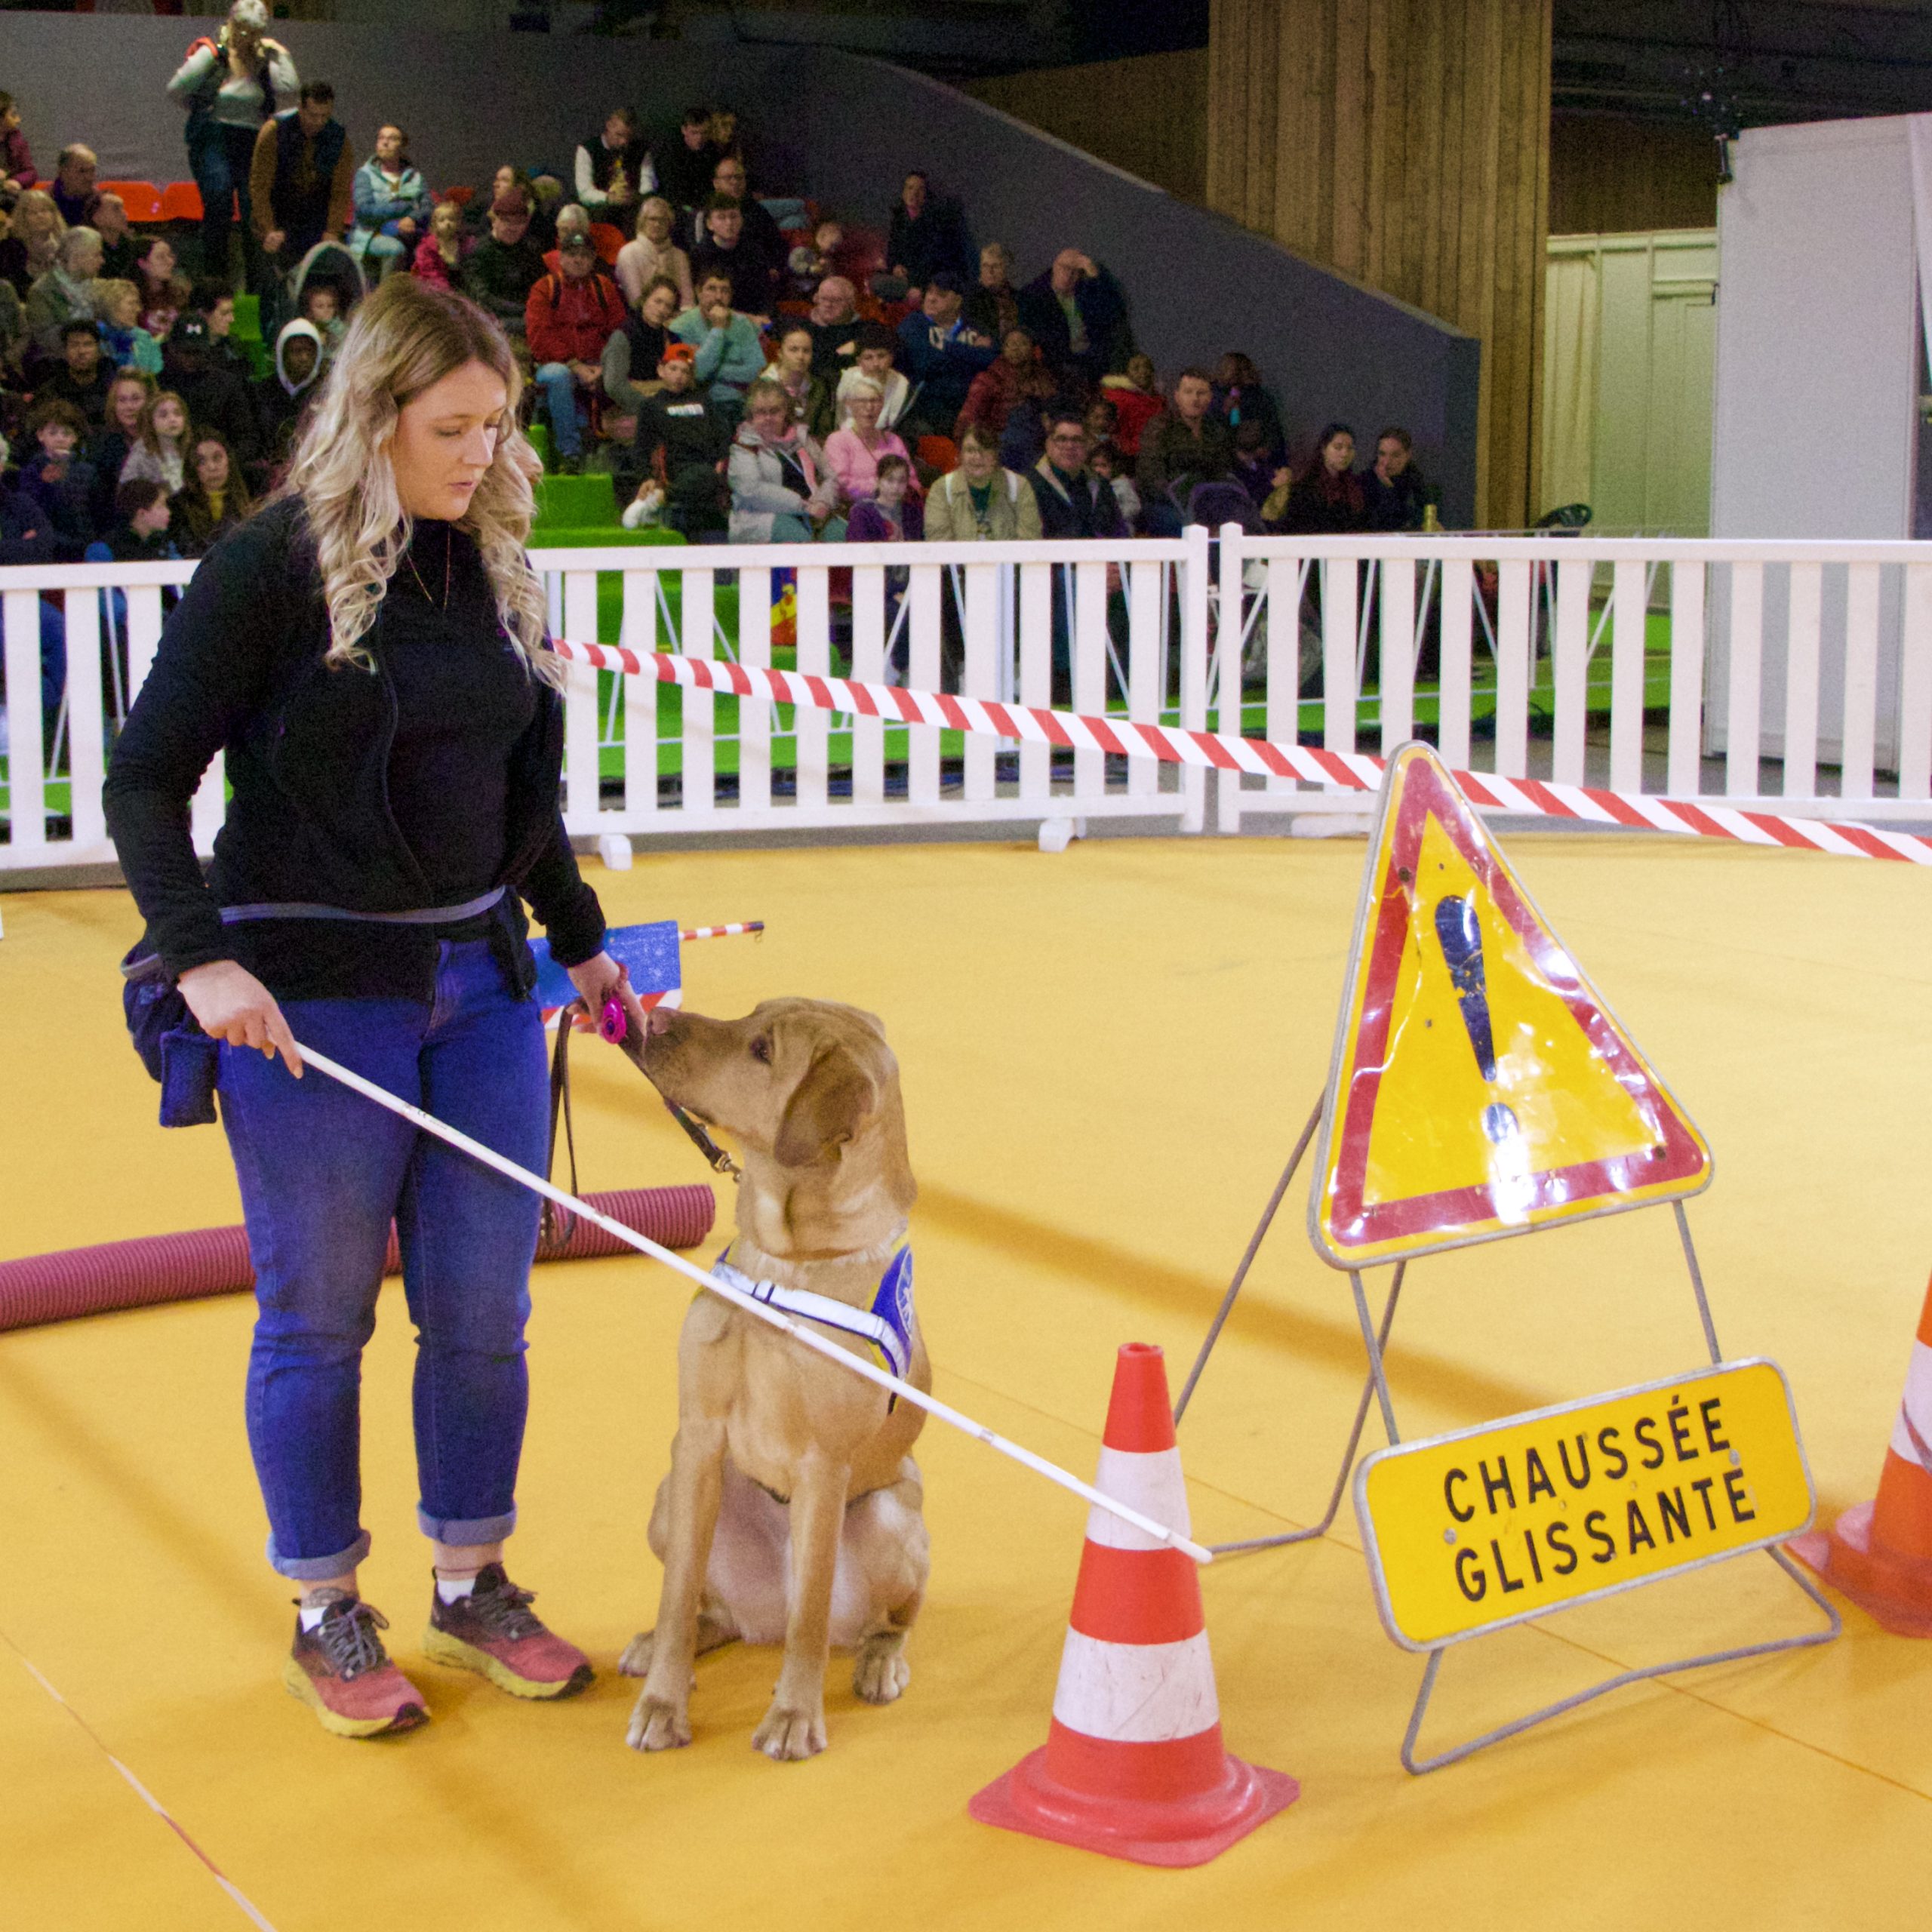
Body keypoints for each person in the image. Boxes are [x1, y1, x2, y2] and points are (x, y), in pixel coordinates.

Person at [103, 275, 621, 1740]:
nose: (482, 455)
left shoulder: (492, 566)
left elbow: (519, 797)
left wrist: (577, 941)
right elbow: (145, 780)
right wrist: (197, 956)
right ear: (375, 416)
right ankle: (328, 1605)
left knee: (482, 1310)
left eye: (498, 427)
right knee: (318, 1314)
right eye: (453, 427)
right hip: (310, 997)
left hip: (480, 991)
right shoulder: (270, 566)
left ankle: (472, 1577)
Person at [168, 1, 298, 281]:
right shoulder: (213, 54)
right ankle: (215, 280)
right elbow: (176, 88)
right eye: (241, 30)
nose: (245, 38)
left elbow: (289, 87)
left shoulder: (264, 60)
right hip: (216, 135)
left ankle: (256, 285)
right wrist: (200, 104)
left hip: (252, 137)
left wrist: (280, 52)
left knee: (256, 210)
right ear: (231, 23)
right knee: (219, 200)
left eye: (253, 32)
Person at [525, 232, 625, 474]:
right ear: (561, 257)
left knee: (622, 373)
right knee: (559, 376)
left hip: (598, 363)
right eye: (572, 255)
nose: (578, 261)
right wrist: (575, 365)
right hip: (557, 364)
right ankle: (570, 454)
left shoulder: (604, 287)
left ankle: (621, 453)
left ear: (593, 259)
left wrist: (605, 367)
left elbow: (620, 332)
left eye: (585, 255)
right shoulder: (545, 288)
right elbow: (540, 337)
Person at [251, 82, 355, 281]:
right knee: (265, 280)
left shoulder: (339, 139)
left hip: (314, 220)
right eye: (313, 115)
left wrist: (332, 230)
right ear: (301, 107)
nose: (318, 122)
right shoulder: (275, 131)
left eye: (325, 116)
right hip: (277, 213)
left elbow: (340, 192)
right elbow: (260, 185)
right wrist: (268, 228)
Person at [629, 340, 729, 538]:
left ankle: (659, 500)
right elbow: (642, 447)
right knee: (704, 476)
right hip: (677, 469)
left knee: (711, 476)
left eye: (685, 371)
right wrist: (646, 478)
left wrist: (722, 458)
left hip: (709, 466)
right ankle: (662, 497)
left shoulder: (704, 400)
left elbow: (723, 434)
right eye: (673, 369)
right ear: (661, 370)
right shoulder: (651, 406)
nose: (679, 376)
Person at [728, 378, 841, 543]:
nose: (768, 417)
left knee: (842, 534)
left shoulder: (801, 437)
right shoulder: (744, 445)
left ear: (785, 411)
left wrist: (823, 502)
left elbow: (830, 476)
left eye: (774, 411)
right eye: (760, 412)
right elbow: (750, 490)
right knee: (803, 541)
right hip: (762, 518)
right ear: (751, 414)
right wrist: (803, 506)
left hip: (813, 511)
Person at [895, 272, 995, 436]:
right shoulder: (914, 324)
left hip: (967, 406)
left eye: (941, 295)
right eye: (930, 292)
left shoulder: (975, 328)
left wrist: (944, 348)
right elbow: (925, 363)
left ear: (957, 302)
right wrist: (971, 355)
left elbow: (991, 359)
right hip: (925, 408)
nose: (931, 299)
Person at [1017, 249, 1129, 393]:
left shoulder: (1087, 291)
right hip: (1056, 364)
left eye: (1075, 271)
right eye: (1064, 268)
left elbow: (1113, 313)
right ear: (1055, 267)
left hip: (1092, 360)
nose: (1068, 275)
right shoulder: (1034, 295)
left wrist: (1094, 277)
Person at [1136, 367, 1232, 535]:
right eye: (1188, 392)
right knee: (1188, 525)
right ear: (1177, 396)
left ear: (1210, 398)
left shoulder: (1216, 431)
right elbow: (1151, 477)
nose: (1195, 399)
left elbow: (1221, 474)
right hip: (1167, 504)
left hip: (1207, 502)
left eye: (1201, 393)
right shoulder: (1160, 427)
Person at [163, 310, 261, 472]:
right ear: (172, 349)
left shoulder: (227, 384)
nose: (192, 358)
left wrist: (220, 464)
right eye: (186, 352)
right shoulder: (161, 386)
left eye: (197, 352)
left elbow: (247, 438)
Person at [669, 268, 764, 417]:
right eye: (711, 289)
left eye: (725, 291)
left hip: (740, 402)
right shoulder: (681, 327)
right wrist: (718, 330)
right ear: (698, 292)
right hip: (699, 403)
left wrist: (715, 371)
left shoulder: (743, 324)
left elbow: (756, 370)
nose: (718, 297)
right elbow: (698, 374)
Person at [923, 421, 1041, 542]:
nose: (978, 457)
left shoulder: (1019, 487)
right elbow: (939, 546)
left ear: (996, 455)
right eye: (970, 450)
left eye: (985, 450)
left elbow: (1029, 542)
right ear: (960, 455)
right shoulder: (941, 490)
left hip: (1007, 560)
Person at [351, 126, 432, 284]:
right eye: (381, 138)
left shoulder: (414, 177)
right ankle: (386, 300)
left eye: (392, 138)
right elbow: (364, 211)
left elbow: (428, 207)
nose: (385, 143)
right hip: (370, 234)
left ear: (402, 146)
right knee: (395, 249)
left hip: (408, 233)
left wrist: (412, 218)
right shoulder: (365, 174)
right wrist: (403, 209)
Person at [460, 192, 546, 340]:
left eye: (519, 222)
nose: (512, 228)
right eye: (506, 221)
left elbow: (541, 288)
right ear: (494, 221)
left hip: (529, 316)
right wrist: (523, 310)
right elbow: (482, 297)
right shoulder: (478, 252)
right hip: (494, 318)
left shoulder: (531, 249)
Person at [1029, 411, 1126, 540]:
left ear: (1087, 445)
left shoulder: (1100, 485)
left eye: (1077, 440)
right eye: (1062, 439)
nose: (1070, 446)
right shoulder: (1031, 485)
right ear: (1048, 444)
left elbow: (1118, 532)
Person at [20, 396, 98, 555]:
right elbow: (27, 508)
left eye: (66, 433)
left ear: (75, 437)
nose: (60, 438)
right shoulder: (31, 471)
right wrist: (44, 483)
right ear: (41, 435)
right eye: (53, 432)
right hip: (45, 543)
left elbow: (95, 508)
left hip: (81, 541)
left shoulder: (88, 471)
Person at [954, 323, 1055, 445]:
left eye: (1022, 343)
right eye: (1010, 344)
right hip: (998, 444)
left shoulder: (1043, 379)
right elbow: (968, 417)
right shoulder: (989, 379)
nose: (1015, 348)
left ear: (1033, 349)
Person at [823, 375, 914, 507]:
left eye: (875, 401)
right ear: (849, 404)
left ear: (882, 404)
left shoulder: (893, 440)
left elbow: (912, 479)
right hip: (855, 511)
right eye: (862, 401)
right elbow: (841, 485)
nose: (869, 407)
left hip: (896, 508)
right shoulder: (838, 441)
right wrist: (882, 488)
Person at [600, 272, 680, 417]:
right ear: (644, 300)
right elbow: (614, 386)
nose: (662, 309)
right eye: (658, 301)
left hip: (661, 404)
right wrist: (654, 411)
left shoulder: (669, 337)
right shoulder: (623, 335)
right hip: (631, 409)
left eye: (668, 306)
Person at [886, 171, 971, 301]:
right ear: (903, 193)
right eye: (910, 188)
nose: (914, 193)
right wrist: (896, 266)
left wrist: (918, 284)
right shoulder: (899, 219)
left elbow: (934, 259)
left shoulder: (936, 221)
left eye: (920, 189)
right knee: (878, 282)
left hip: (930, 278)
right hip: (905, 277)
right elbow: (892, 251)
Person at [691, 195, 777, 321]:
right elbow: (699, 300)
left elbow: (765, 294)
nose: (729, 223)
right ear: (710, 224)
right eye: (721, 217)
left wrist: (763, 316)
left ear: (742, 220)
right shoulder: (699, 255)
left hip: (752, 318)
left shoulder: (754, 251)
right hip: (713, 318)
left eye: (733, 216)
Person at [25, 224, 103, 363]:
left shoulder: (99, 287)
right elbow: (46, 339)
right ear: (78, 257)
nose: (102, 261)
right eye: (97, 255)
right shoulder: (42, 291)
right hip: (57, 362)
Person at [89, 370, 157, 528]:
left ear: (150, 402)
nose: (129, 407)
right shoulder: (103, 446)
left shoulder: (164, 440)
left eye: (136, 399)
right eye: (122, 400)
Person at [170, 429, 254, 555]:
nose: (212, 467)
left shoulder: (253, 496)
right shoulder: (177, 506)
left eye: (217, 458)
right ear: (192, 467)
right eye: (202, 462)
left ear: (228, 459)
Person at [699, 155, 784, 275]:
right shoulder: (705, 213)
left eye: (739, 178)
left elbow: (776, 245)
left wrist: (774, 267)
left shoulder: (757, 211)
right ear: (716, 183)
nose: (735, 182)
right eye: (728, 178)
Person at [1280, 421, 1367, 534]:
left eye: (1350, 448)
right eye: (1338, 447)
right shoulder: (1305, 489)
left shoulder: (1356, 487)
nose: (1344, 454)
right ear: (1324, 449)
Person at [257, 315, 322, 463]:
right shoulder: (263, 391)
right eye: (297, 351)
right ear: (283, 354)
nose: (304, 358)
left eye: (309, 352)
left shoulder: (326, 392)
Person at [614, 196, 692, 311]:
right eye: (652, 219)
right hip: (642, 321)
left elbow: (688, 301)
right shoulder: (628, 253)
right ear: (642, 222)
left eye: (662, 220)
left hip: (676, 321)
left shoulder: (679, 255)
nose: (657, 225)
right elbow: (636, 300)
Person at [574, 107, 652, 217]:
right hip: (598, 214)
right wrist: (608, 198)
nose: (624, 141)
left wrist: (636, 197)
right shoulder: (588, 150)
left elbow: (648, 186)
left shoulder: (641, 151)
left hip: (633, 214)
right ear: (609, 126)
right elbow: (584, 193)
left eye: (628, 137)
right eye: (619, 135)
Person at [85, 475, 180, 565]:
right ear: (142, 513)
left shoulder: (165, 544)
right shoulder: (104, 549)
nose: (168, 512)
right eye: (160, 506)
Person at [834, 321, 910, 432]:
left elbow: (894, 424)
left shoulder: (900, 383)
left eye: (881, 356)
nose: (876, 363)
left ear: (891, 357)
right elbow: (840, 418)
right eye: (868, 358)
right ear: (859, 361)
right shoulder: (848, 378)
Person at [1213, 352, 1283, 463]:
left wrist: (1265, 449)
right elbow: (1212, 428)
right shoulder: (1215, 396)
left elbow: (1273, 430)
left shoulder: (1260, 398)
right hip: (1226, 460)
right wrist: (1225, 411)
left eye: (1244, 370)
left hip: (1258, 459)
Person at [121, 389, 193, 496]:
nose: (172, 419)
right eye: (163, 415)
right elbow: (126, 490)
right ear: (151, 422)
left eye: (178, 414)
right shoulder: (141, 453)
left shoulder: (191, 447)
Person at [767, 321, 832, 439]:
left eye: (806, 351)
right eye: (793, 350)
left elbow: (824, 431)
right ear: (780, 353)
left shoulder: (818, 387)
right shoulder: (763, 385)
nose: (800, 356)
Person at [41, 320, 115, 422]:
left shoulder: (115, 386)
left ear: (98, 349)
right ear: (65, 351)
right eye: (74, 345)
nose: (81, 352)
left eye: (88, 344)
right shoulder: (51, 392)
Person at [845, 450, 923, 545]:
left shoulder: (913, 512)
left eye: (902, 481)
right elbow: (857, 551)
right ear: (878, 481)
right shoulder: (861, 513)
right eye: (890, 480)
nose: (896, 486)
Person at [2, 187, 63, 301]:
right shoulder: (10, 249)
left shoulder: (66, 245)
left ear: (54, 214)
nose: (40, 216)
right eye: (33, 212)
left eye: (45, 211)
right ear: (23, 217)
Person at [94, 281, 165, 377]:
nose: (138, 309)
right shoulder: (94, 338)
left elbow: (157, 374)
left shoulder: (144, 338)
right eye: (131, 303)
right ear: (110, 306)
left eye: (137, 303)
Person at [1099, 351, 1163, 459]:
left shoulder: (1159, 400)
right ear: (1125, 373)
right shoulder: (1116, 398)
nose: (1143, 372)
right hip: (1126, 458)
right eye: (1136, 368)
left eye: (1147, 367)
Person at [1362, 426, 1428, 531]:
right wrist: (1387, 488)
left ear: (1408, 455)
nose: (1387, 462)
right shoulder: (1364, 484)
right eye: (1382, 454)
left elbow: (1412, 521)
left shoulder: (1417, 484)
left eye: (1395, 455)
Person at [655, 105, 717, 213]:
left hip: (706, 208)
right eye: (695, 133)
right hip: (677, 208)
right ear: (684, 130)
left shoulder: (712, 151)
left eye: (704, 133)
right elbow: (671, 192)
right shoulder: (670, 153)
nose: (700, 138)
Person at [803, 275, 861, 382]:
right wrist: (838, 355)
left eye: (836, 300)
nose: (828, 304)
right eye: (824, 299)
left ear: (851, 303)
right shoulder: (802, 329)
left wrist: (859, 345)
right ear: (816, 299)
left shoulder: (864, 329)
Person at [964, 242, 1020, 345]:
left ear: (1005, 270)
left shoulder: (1018, 298)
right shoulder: (970, 297)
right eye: (985, 266)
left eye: (996, 266)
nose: (990, 271)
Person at [411, 199, 472, 294]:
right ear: (435, 224)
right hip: (433, 288)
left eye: (451, 219)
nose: (447, 223)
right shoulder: (426, 248)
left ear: (459, 222)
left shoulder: (467, 243)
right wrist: (449, 293)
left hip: (461, 287)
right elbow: (432, 274)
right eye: (442, 220)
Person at [134, 235, 186, 340]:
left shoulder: (179, 295)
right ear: (142, 263)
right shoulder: (132, 299)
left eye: (170, 256)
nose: (170, 262)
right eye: (161, 257)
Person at [93, 192, 140, 284]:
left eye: (123, 208)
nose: (124, 214)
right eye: (116, 209)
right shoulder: (91, 252)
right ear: (97, 218)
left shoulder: (134, 249)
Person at [49, 144, 99, 231]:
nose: (90, 178)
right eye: (82, 171)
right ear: (63, 172)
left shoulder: (100, 203)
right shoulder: (45, 203)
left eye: (92, 171)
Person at [0, 89, 38, 195]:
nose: (18, 120)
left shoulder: (17, 141)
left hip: (9, 194)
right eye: (13, 115)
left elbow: (30, 172)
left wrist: (16, 181)